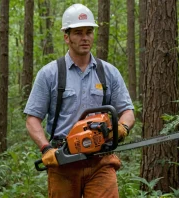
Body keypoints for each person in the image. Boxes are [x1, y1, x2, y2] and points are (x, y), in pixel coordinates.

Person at [24, 3, 135, 198]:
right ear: (66, 37)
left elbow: (127, 111)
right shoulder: (50, 74)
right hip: (63, 160)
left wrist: (122, 128)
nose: (85, 37)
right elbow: (32, 119)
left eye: (89, 32)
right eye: (78, 32)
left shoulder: (108, 72)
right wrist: (46, 148)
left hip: (101, 159)